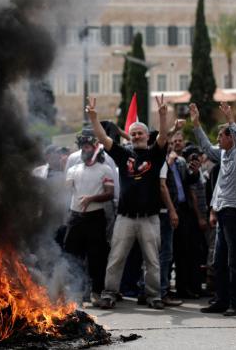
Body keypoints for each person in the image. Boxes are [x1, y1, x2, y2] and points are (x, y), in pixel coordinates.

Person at [86, 95, 174, 310]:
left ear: (146, 135)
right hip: (125, 218)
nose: (136, 136)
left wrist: (163, 116)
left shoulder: (155, 154)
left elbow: (163, 136)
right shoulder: (122, 154)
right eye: (133, 133)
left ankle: (154, 296)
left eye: (140, 133)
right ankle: (109, 294)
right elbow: (103, 138)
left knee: (152, 261)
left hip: (150, 218)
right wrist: (94, 119)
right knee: (116, 258)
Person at [192, 102, 236, 317]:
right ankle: (221, 300)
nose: (218, 140)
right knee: (219, 261)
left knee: (235, 260)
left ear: (230, 138)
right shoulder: (224, 155)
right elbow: (207, 148)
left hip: (234, 212)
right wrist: (196, 124)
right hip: (222, 212)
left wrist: (231, 121)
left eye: (221, 136)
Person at [63, 134, 114, 306]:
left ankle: (96, 292)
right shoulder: (73, 170)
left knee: (96, 257)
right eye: (82, 147)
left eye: (87, 147)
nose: (84, 150)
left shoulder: (104, 169)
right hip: (75, 218)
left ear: (94, 148)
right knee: (72, 255)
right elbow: (66, 191)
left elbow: (110, 194)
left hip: (95, 218)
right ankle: (75, 293)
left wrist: (91, 198)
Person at [160, 132, 200, 303]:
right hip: (168, 210)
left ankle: (184, 288)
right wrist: (169, 162)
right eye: (171, 142)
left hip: (183, 210)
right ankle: (165, 289)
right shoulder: (162, 162)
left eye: (176, 142)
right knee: (167, 252)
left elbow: (188, 181)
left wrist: (195, 171)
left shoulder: (181, 162)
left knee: (184, 250)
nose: (173, 145)